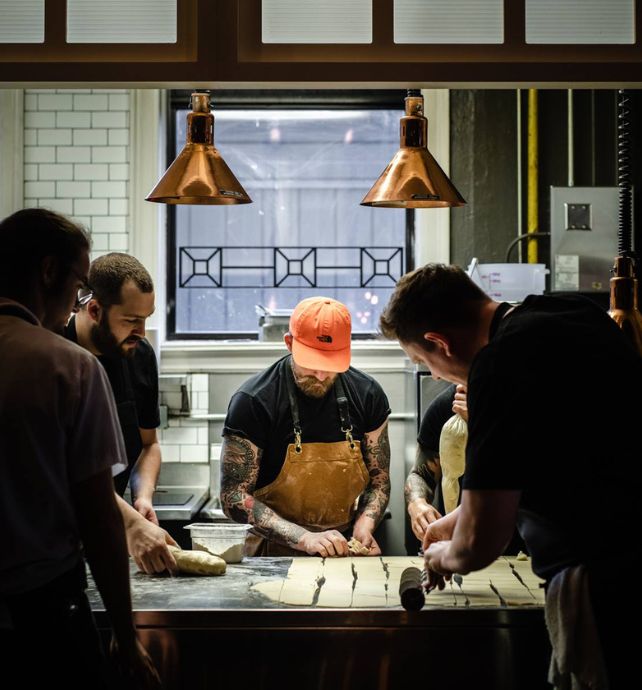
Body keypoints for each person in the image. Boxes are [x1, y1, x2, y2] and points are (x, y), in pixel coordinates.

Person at [380, 262, 641, 689]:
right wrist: (457, 519)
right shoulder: (570, 313)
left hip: (609, 588)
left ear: (439, 343)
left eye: (422, 361)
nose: (435, 375)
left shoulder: (497, 366)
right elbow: (556, 461)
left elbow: (480, 545)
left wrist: (440, 556)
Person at [0, 208, 160, 688]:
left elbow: (147, 446)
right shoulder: (65, 364)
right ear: (49, 272)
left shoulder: (130, 358)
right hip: (42, 604)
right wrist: (126, 634)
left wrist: (140, 502)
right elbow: (92, 507)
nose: (74, 300)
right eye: (76, 285)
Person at [221, 296, 391, 557]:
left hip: (342, 551)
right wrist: (304, 538)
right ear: (289, 343)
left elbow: (379, 483)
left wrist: (364, 525)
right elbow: (233, 497)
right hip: (271, 555)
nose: (321, 375)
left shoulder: (368, 396)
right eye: (312, 363)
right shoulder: (254, 401)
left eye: (331, 364)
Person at [65, 252, 177, 575]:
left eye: (147, 318)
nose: (142, 332)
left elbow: (148, 445)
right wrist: (127, 522)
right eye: (131, 321)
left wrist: (142, 497)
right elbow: (65, 470)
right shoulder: (54, 357)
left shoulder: (139, 356)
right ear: (95, 310)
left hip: (107, 532)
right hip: (52, 543)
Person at [406, 383, 466, 541]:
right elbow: (421, 474)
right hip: (457, 540)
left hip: (526, 541)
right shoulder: (446, 406)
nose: (435, 377)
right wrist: (417, 502)